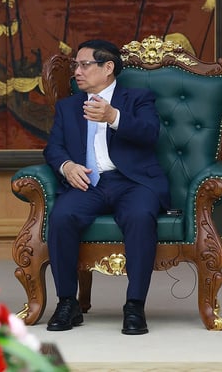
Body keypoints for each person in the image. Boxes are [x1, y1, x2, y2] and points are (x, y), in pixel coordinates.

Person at [43, 39, 169, 335]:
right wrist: (67, 166)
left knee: (139, 217)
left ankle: (135, 305)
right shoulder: (68, 106)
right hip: (89, 183)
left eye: (85, 65)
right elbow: (53, 148)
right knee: (61, 217)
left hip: (133, 182)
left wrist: (113, 117)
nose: (77, 71)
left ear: (108, 68)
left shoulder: (138, 98)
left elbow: (151, 134)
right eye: (76, 65)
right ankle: (67, 302)